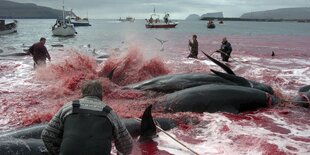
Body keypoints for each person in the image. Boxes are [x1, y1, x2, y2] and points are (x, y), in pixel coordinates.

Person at [41, 80, 133, 155]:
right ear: (101, 95)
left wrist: (57, 152)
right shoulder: (109, 113)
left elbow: (46, 135)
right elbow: (127, 144)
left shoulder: (69, 108)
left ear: (82, 93)